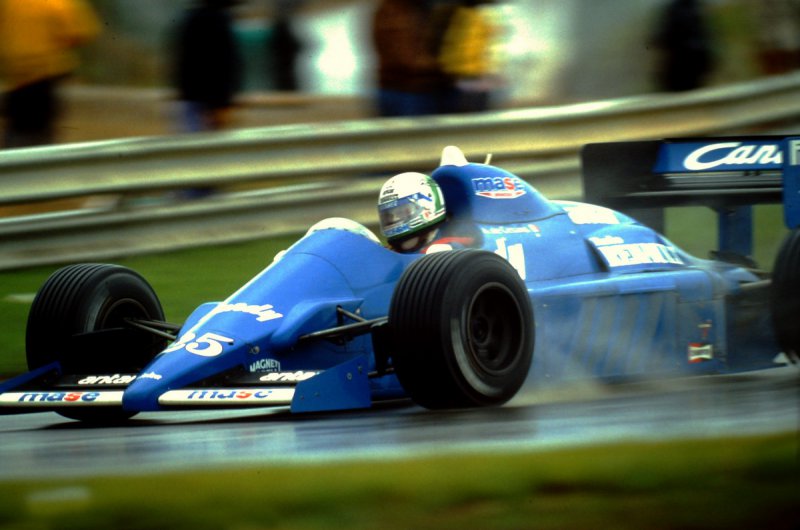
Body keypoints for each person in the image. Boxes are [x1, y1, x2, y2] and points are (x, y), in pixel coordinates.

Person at [0, 0, 99, 148]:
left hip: (18, 74)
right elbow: (80, 33)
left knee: (21, 126)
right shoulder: (57, 3)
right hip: (44, 72)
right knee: (35, 130)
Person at [371, 0, 453, 117]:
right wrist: (453, 65)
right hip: (409, 91)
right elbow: (408, 61)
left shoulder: (422, 9)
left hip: (426, 89)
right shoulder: (395, 13)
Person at [172, 0, 243, 132]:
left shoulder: (190, 18)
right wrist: (222, 102)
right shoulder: (219, 20)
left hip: (191, 96)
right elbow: (223, 62)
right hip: (209, 100)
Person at [377, 171, 474, 253]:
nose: (395, 219)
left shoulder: (451, 247)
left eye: (402, 212)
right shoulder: (388, 252)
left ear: (427, 205)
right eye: (389, 216)